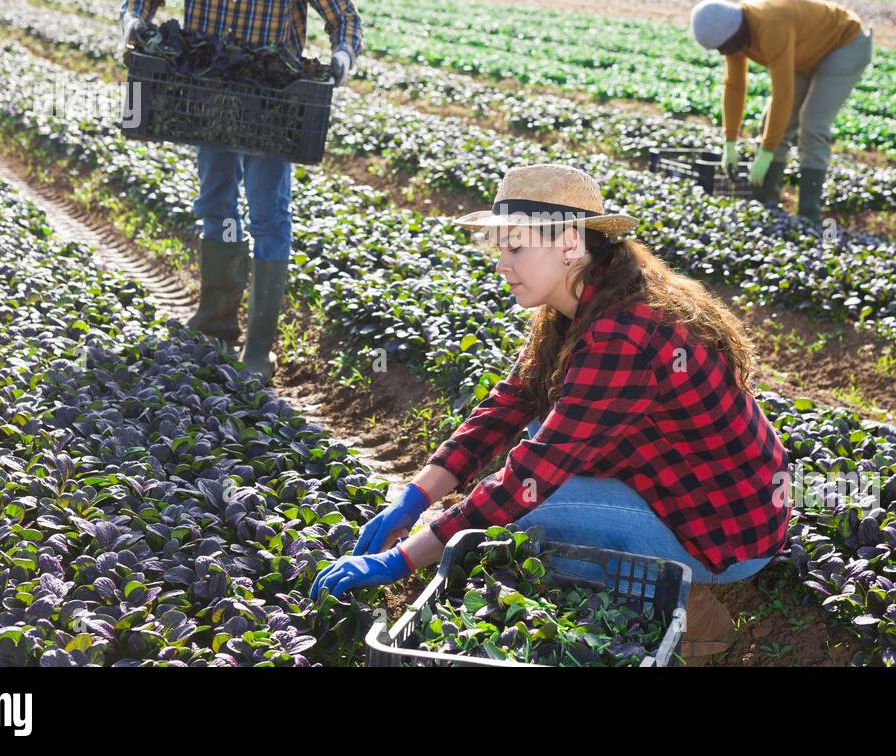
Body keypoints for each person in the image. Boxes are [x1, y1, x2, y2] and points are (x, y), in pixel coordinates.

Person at [311, 164, 793, 664]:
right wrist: (414, 499)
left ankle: (694, 618)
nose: (501, 264)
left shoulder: (623, 332)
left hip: (726, 535)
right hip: (689, 497)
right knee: (536, 432)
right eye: (498, 248)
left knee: (521, 520)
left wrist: (398, 560)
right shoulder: (584, 299)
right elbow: (509, 402)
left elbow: (531, 477)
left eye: (515, 247)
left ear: (567, 243)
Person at [120, 0, 364, 384]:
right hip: (205, 95)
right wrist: (133, 25)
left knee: (270, 213)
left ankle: (259, 348)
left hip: (271, 106)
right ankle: (214, 327)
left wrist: (341, 60)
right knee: (217, 205)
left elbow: (344, 18)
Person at [690, 0, 873, 223]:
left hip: (844, 44)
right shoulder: (733, 37)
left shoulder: (770, 25)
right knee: (773, 123)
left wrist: (766, 152)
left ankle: (809, 214)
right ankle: (767, 201)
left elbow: (782, 94)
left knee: (812, 123)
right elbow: (734, 85)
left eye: (724, 47)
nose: (724, 53)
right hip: (805, 51)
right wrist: (730, 141)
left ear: (736, 32)